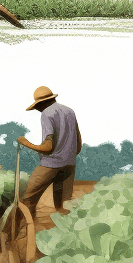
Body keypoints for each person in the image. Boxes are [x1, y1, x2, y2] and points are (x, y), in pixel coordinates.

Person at [17, 86, 82, 215]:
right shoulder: (70, 111)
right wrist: (66, 155)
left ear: (41, 104)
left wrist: (26, 143)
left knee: (27, 200)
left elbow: (48, 147)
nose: (37, 109)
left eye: (37, 107)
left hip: (50, 165)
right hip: (69, 164)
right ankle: (65, 232)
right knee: (63, 206)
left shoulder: (47, 114)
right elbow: (78, 144)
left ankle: (25, 232)